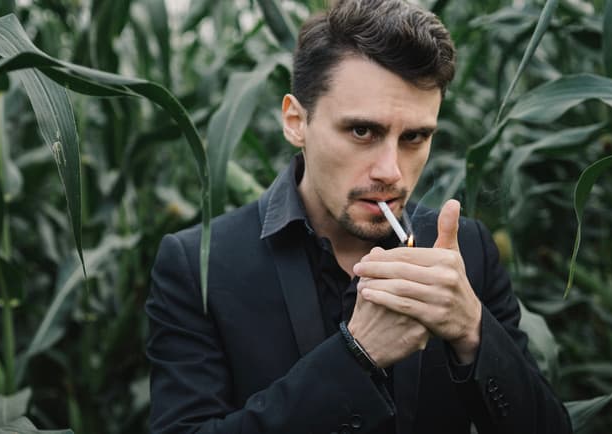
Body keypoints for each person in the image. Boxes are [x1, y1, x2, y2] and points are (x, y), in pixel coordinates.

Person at [145, 0, 572, 432]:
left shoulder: (465, 254)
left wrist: (472, 331)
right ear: (296, 121)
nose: (390, 169)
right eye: (362, 131)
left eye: (415, 137)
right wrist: (355, 356)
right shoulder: (199, 266)